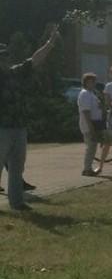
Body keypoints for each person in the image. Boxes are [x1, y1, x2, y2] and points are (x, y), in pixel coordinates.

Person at [0, 25, 61, 211]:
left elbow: (35, 60)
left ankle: (17, 202)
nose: (4, 59)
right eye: (1, 56)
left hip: (19, 126)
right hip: (1, 128)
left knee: (17, 167)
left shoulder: (15, 73)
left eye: (5, 56)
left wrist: (50, 43)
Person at [77, 73, 104, 176]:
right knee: (91, 147)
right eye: (92, 82)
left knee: (93, 147)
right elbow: (86, 111)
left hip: (95, 123)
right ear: (86, 82)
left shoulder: (91, 93)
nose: (94, 84)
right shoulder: (85, 94)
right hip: (89, 124)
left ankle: (89, 168)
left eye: (94, 81)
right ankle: (87, 169)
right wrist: (91, 126)